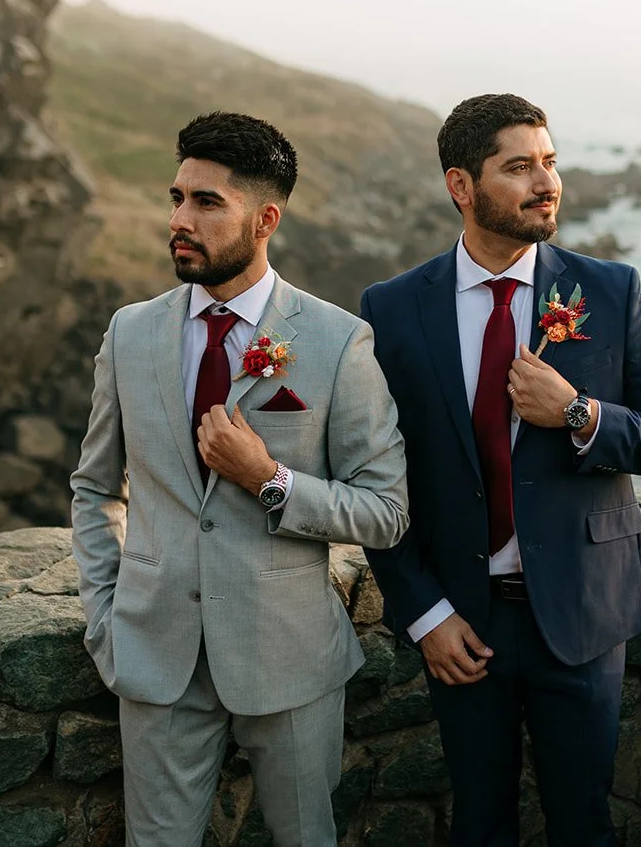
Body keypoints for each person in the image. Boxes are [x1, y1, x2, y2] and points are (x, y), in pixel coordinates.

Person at [360, 93, 641, 846]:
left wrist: (579, 412)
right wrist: (424, 614)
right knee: (479, 824)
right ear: (461, 185)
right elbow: (376, 482)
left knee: (584, 827)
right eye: (519, 167)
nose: (546, 182)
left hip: (584, 616)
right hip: (460, 622)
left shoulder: (611, 293)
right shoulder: (392, 309)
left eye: (550, 162)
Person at [71, 111, 409, 847]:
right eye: (176, 198)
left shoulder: (336, 341)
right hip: (155, 656)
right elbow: (96, 488)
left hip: (290, 660)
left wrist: (270, 478)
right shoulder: (130, 332)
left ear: (265, 220)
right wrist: (105, 619)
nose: (179, 220)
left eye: (206, 202)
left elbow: (385, 510)